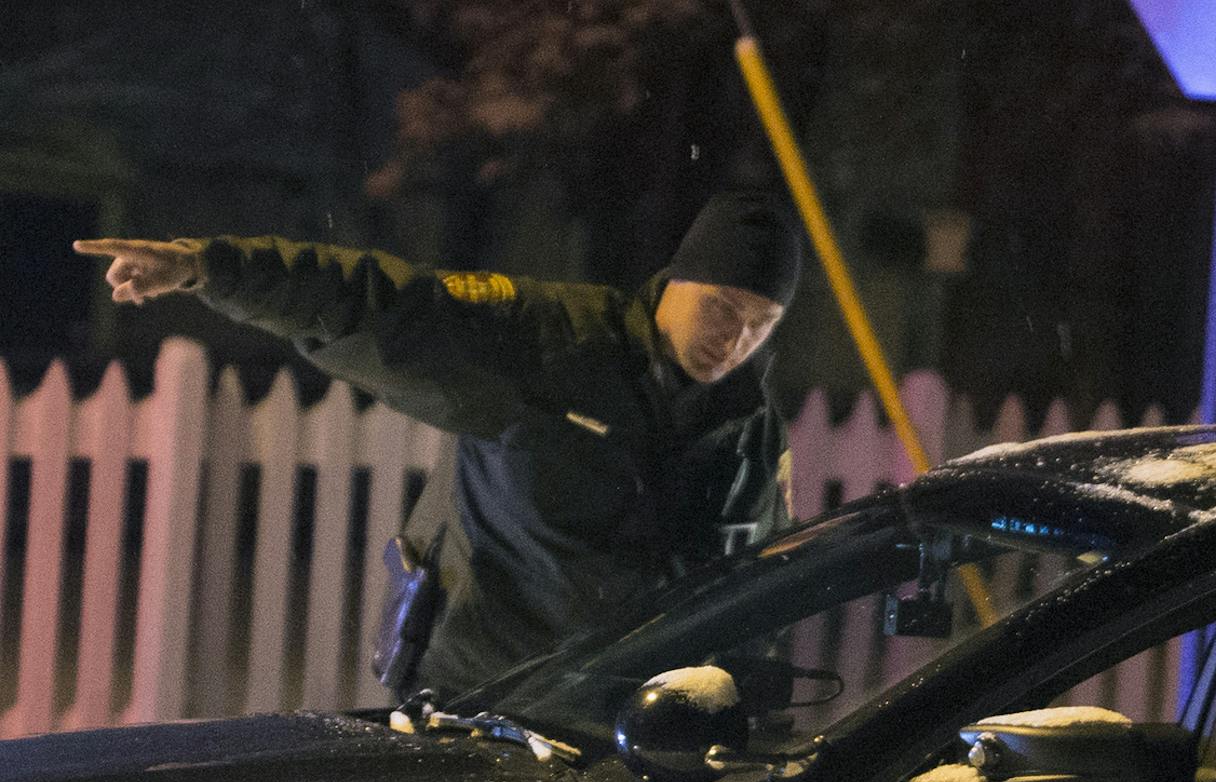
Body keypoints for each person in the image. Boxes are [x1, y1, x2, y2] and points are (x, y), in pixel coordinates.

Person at [76, 191, 802, 699]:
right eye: (722, 307)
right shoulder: (549, 343)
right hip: (484, 698)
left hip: (637, 718)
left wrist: (746, 697)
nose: (734, 339)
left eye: (760, 324)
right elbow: (383, 306)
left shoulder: (749, 426)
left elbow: (756, 580)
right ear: (677, 280)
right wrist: (210, 267)